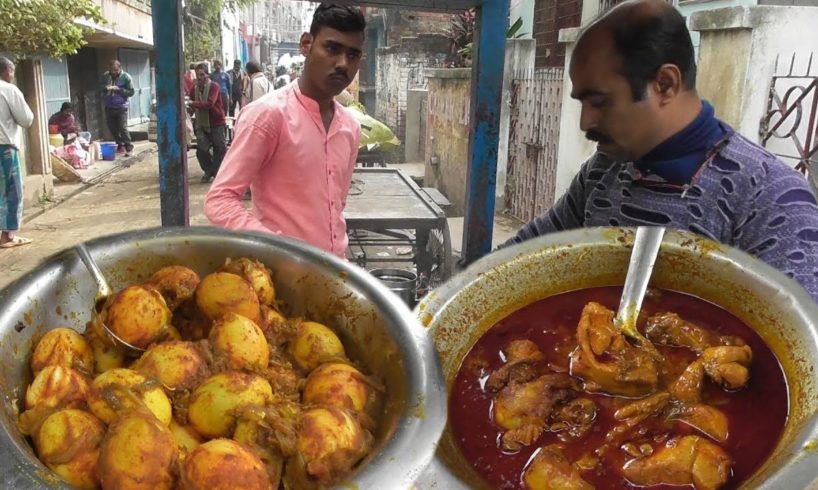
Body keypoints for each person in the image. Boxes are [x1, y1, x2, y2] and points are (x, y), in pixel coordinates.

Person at [503, 0, 818, 302]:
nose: (586, 122)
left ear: (666, 84)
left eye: (599, 102)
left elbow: (799, 343)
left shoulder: (773, 201)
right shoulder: (603, 170)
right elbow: (530, 253)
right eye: (582, 103)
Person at [205, 4, 366, 258]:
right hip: (282, 275)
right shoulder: (267, 116)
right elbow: (220, 201)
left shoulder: (350, 127)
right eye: (332, 49)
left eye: (353, 55)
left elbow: (336, 206)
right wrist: (280, 250)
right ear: (306, 44)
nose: (342, 64)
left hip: (337, 272)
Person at [0, 57, 34, 249]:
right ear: (6, 72)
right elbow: (26, 119)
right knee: (11, 191)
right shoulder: (8, 89)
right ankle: (7, 236)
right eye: (12, 72)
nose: (12, 76)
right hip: (4, 148)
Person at [188, 63, 227, 183]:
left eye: (202, 74)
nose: (199, 77)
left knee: (220, 148)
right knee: (202, 150)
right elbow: (190, 106)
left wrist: (192, 103)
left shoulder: (214, 87)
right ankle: (209, 170)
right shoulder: (193, 89)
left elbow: (210, 104)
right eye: (197, 75)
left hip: (216, 122)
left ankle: (216, 171)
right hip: (201, 124)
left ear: (207, 75)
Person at [100, 60, 135, 157]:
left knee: (122, 127)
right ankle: (120, 144)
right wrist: (105, 88)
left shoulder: (126, 77)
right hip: (109, 106)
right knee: (112, 128)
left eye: (115, 70)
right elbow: (100, 87)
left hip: (121, 106)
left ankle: (128, 145)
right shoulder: (105, 76)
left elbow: (131, 92)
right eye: (112, 70)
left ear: (120, 68)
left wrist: (119, 90)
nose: (114, 72)